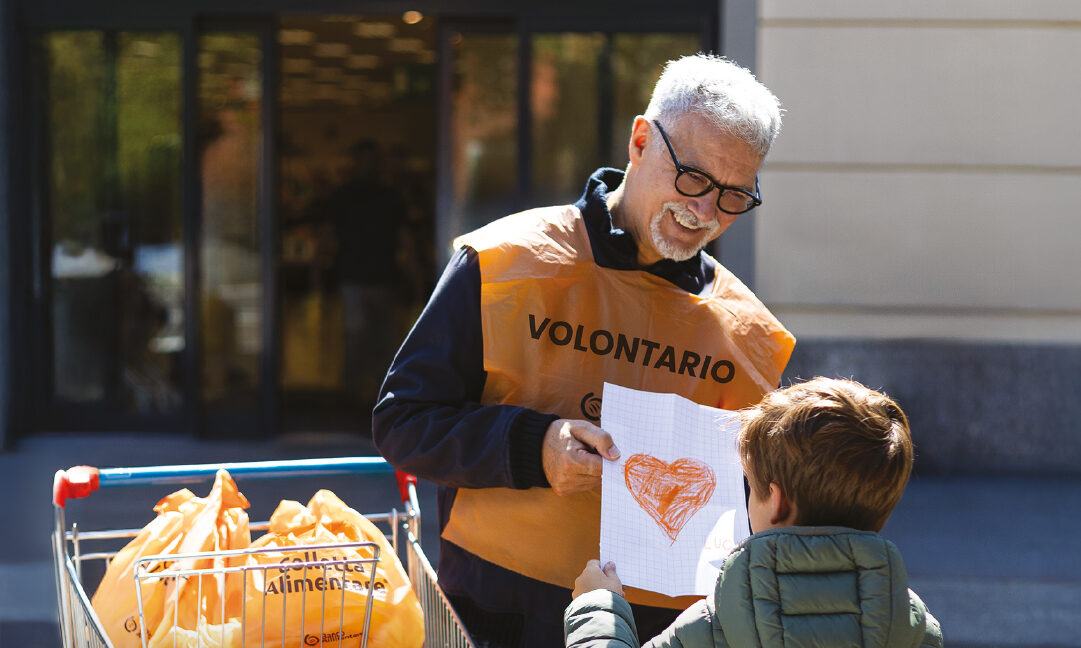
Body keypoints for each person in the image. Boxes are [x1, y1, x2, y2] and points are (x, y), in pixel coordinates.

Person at [373, 54, 796, 647]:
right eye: (694, 179)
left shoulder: (751, 337)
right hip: (493, 616)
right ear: (641, 141)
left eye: (732, 196)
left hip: (660, 634)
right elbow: (403, 423)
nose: (704, 212)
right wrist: (535, 448)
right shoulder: (504, 263)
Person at [565, 377, 943, 648]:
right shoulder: (914, 626)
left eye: (751, 487)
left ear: (776, 503)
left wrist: (598, 609)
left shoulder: (719, 623)